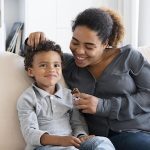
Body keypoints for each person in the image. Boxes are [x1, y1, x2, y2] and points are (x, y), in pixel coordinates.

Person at [25, 7, 150, 150]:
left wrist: (103, 106)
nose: (79, 51)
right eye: (75, 42)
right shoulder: (68, 64)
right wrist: (32, 41)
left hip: (134, 133)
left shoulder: (129, 57)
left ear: (105, 43)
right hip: (95, 141)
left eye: (89, 46)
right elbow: (36, 58)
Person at [17, 40, 115, 150]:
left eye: (56, 65)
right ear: (31, 71)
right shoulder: (27, 99)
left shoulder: (69, 95)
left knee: (102, 142)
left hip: (72, 143)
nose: (51, 70)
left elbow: (77, 123)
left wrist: (81, 136)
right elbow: (30, 133)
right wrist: (61, 140)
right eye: (43, 65)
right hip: (44, 147)